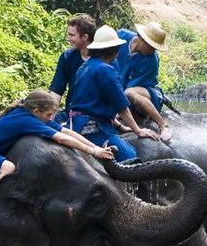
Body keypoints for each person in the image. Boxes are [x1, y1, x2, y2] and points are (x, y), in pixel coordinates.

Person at [0, 90, 115, 189]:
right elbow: (61, 138)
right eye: (48, 115)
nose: (50, 119)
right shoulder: (26, 120)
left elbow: (66, 131)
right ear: (36, 111)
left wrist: (95, 147)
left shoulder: (34, 116)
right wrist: (93, 151)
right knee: (9, 168)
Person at [67, 25, 160, 161]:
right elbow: (120, 105)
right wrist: (138, 130)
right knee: (130, 157)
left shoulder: (84, 67)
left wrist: (119, 126)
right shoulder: (106, 70)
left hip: (76, 123)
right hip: (93, 127)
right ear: (115, 52)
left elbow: (92, 102)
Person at [116, 21, 173, 142]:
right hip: (118, 87)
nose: (153, 50)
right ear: (142, 39)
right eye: (151, 46)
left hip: (144, 93)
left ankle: (163, 125)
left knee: (129, 93)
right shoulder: (121, 37)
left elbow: (133, 86)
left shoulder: (151, 61)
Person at [49, 13, 96, 118]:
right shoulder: (67, 57)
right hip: (71, 113)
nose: (68, 38)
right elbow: (56, 91)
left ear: (85, 37)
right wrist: (49, 117)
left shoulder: (103, 58)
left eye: (71, 35)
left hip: (96, 114)